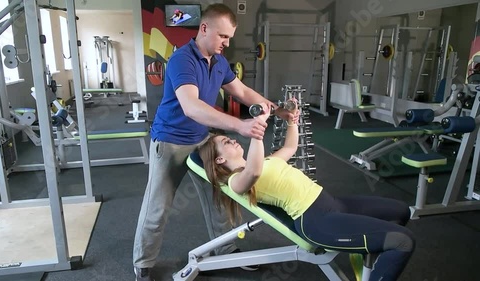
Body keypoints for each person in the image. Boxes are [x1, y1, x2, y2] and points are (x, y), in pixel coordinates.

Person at [133, 4, 292, 281]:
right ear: (204, 29)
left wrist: (277, 109)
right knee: (158, 207)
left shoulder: (218, 62)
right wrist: (240, 125)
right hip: (170, 141)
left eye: (229, 37)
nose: (226, 43)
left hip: (202, 139)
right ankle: (143, 263)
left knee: (223, 195)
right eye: (223, 36)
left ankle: (226, 248)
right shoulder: (183, 60)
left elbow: (242, 91)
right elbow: (191, 107)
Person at [198, 101, 416, 281]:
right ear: (220, 159)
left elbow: (290, 148)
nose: (234, 139)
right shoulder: (236, 181)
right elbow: (253, 172)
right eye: (226, 141)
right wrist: (257, 129)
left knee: (400, 211)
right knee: (402, 241)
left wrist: (292, 120)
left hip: (333, 204)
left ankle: (366, 251)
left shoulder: (265, 161)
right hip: (316, 221)